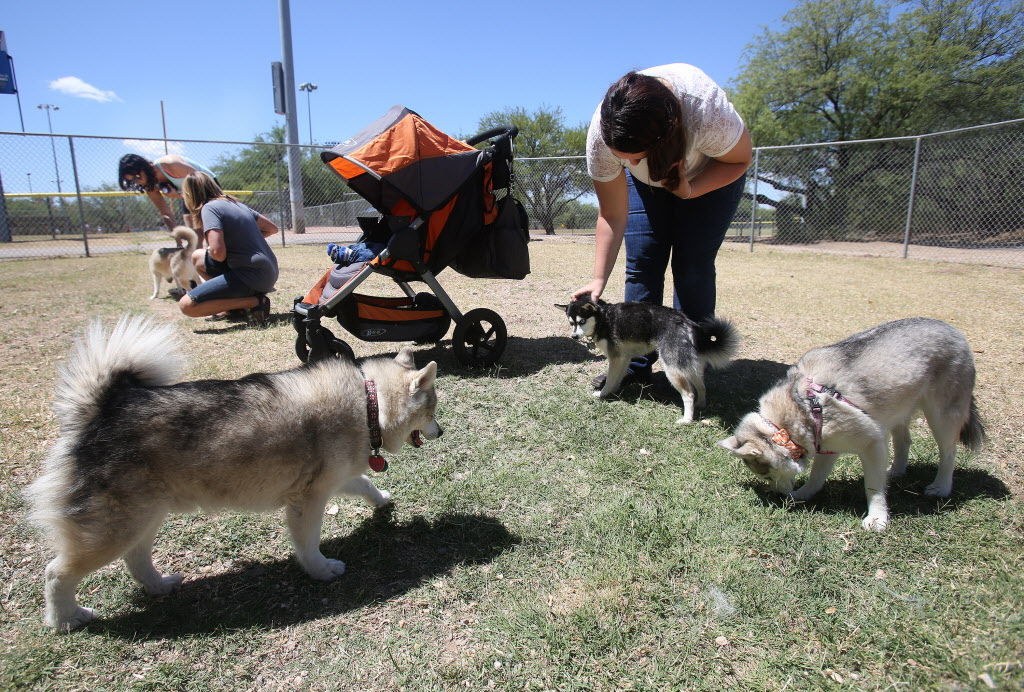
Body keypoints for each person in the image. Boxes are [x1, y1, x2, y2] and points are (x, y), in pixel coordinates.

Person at [571, 63, 752, 385]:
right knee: (642, 262)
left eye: (637, 156)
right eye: (623, 158)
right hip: (649, 187)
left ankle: (689, 366)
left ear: (665, 137)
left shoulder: (705, 111)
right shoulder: (602, 135)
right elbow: (612, 214)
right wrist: (598, 280)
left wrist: (690, 189)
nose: (631, 164)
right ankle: (636, 364)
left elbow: (739, 159)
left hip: (712, 175)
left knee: (691, 267)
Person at [177, 171, 279, 324]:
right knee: (198, 257)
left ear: (190, 195)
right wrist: (242, 240)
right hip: (268, 273)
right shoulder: (236, 204)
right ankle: (234, 308)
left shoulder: (209, 208)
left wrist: (218, 247)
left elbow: (218, 254)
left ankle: (254, 302)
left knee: (187, 306)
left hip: (251, 276)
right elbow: (272, 228)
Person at [118, 153, 217, 244]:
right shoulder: (150, 186)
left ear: (144, 167)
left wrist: (178, 195)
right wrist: (177, 237)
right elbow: (166, 213)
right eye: (132, 181)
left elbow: (201, 181)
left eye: (136, 177)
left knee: (210, 233)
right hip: (187, 195)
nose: (137, 182)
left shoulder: (170, 164)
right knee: (193, 237)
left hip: (207, 186)